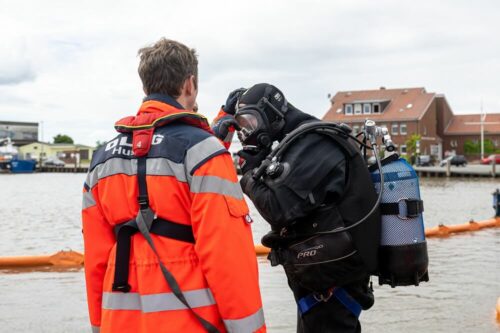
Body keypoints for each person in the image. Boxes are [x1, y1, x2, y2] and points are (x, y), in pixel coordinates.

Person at [82, 38, 266, 333]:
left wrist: (98, 326)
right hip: (190, 322)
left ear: (146, 87)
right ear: (190, 84)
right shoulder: (205, 154)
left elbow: (96, 260)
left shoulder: (102, 161)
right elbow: (228, 262)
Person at [227, 83, 381, 333]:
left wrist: (248, 175)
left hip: (334, 286)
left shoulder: (315, 143)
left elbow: (277, 208)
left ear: (273, 114)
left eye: (252, 122)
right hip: (323, 282)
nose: (247, 133)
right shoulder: (298, 143)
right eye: (242, 126)